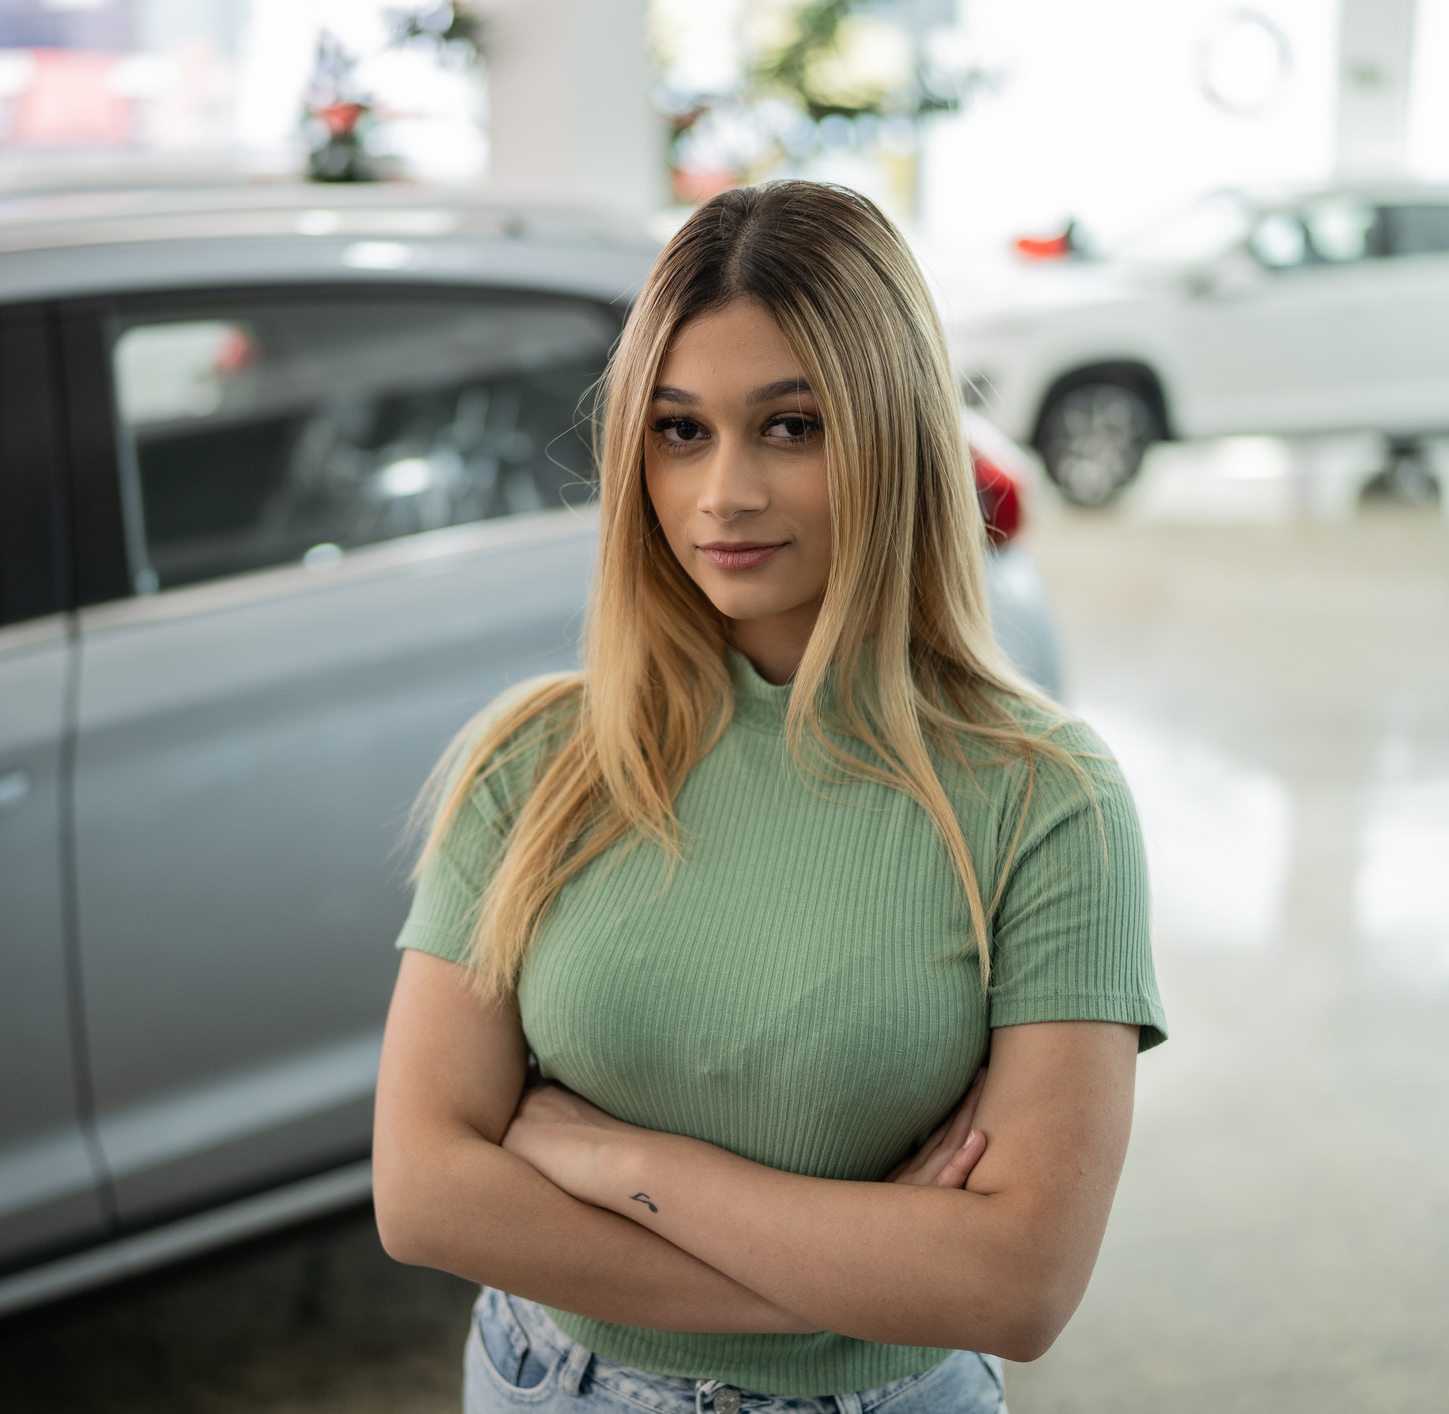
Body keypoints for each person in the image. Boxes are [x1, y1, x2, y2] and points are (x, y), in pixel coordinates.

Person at [373, 180, 1165, 1414]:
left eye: (791, 427)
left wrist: (614, 1158)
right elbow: (424, 1192)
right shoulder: (539, 756)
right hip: (551, 1383)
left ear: (894, 433)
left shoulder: (1044, 798)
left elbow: (1017, 1284)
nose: (724, 494)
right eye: (681, 431)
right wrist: (852, 1275)